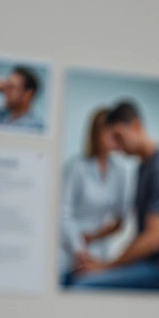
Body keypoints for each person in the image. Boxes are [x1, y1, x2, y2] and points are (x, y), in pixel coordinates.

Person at [69, 100, 159, 292]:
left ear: (136, 126)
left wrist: (105, 267)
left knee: (82, 286)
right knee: (75, 275)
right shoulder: (144, 168)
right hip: (149, 264)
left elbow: (153, 240)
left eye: (118, 136)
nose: (115, 145)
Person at [59, 108, 136, 283]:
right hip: (69, 251)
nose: (115, 138)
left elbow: (120, 218)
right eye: (110, 133)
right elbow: (63, 214)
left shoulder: (119, 172)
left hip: (100, 253)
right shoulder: (76, 167)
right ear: (97, 133)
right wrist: (78, 247)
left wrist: (93, 237)